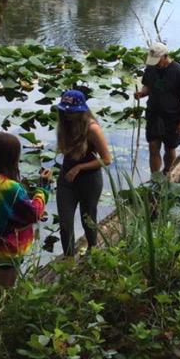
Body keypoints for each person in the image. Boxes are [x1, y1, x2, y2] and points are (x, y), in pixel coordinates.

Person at [0, 132, 52, 293]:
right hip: (8, 249)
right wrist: (43, 188)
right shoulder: (9, 187)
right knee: (3, 293)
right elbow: (34, 213)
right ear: (11, 158)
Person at [55, 90, 112, 256]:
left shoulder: (92, 128)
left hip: (89, 180)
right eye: (65, 111)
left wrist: (79, 167)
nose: (67, 115)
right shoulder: (64, 125)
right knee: (65, 221)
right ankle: (68, 258)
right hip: (67, 179)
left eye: (71, 112)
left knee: (88, 219)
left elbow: (106, 159)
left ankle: (92, 251)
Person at [134, 42, 180, 175]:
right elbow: (147, 86)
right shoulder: (151, 68)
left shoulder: (179, 72)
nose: (155, 64)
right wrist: (142, 93)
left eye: (158, 61)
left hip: (172, 116)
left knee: (169, 147)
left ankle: (168, 173)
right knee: (153, 146)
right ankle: (155, 177)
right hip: (153, 113)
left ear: (165, 56)